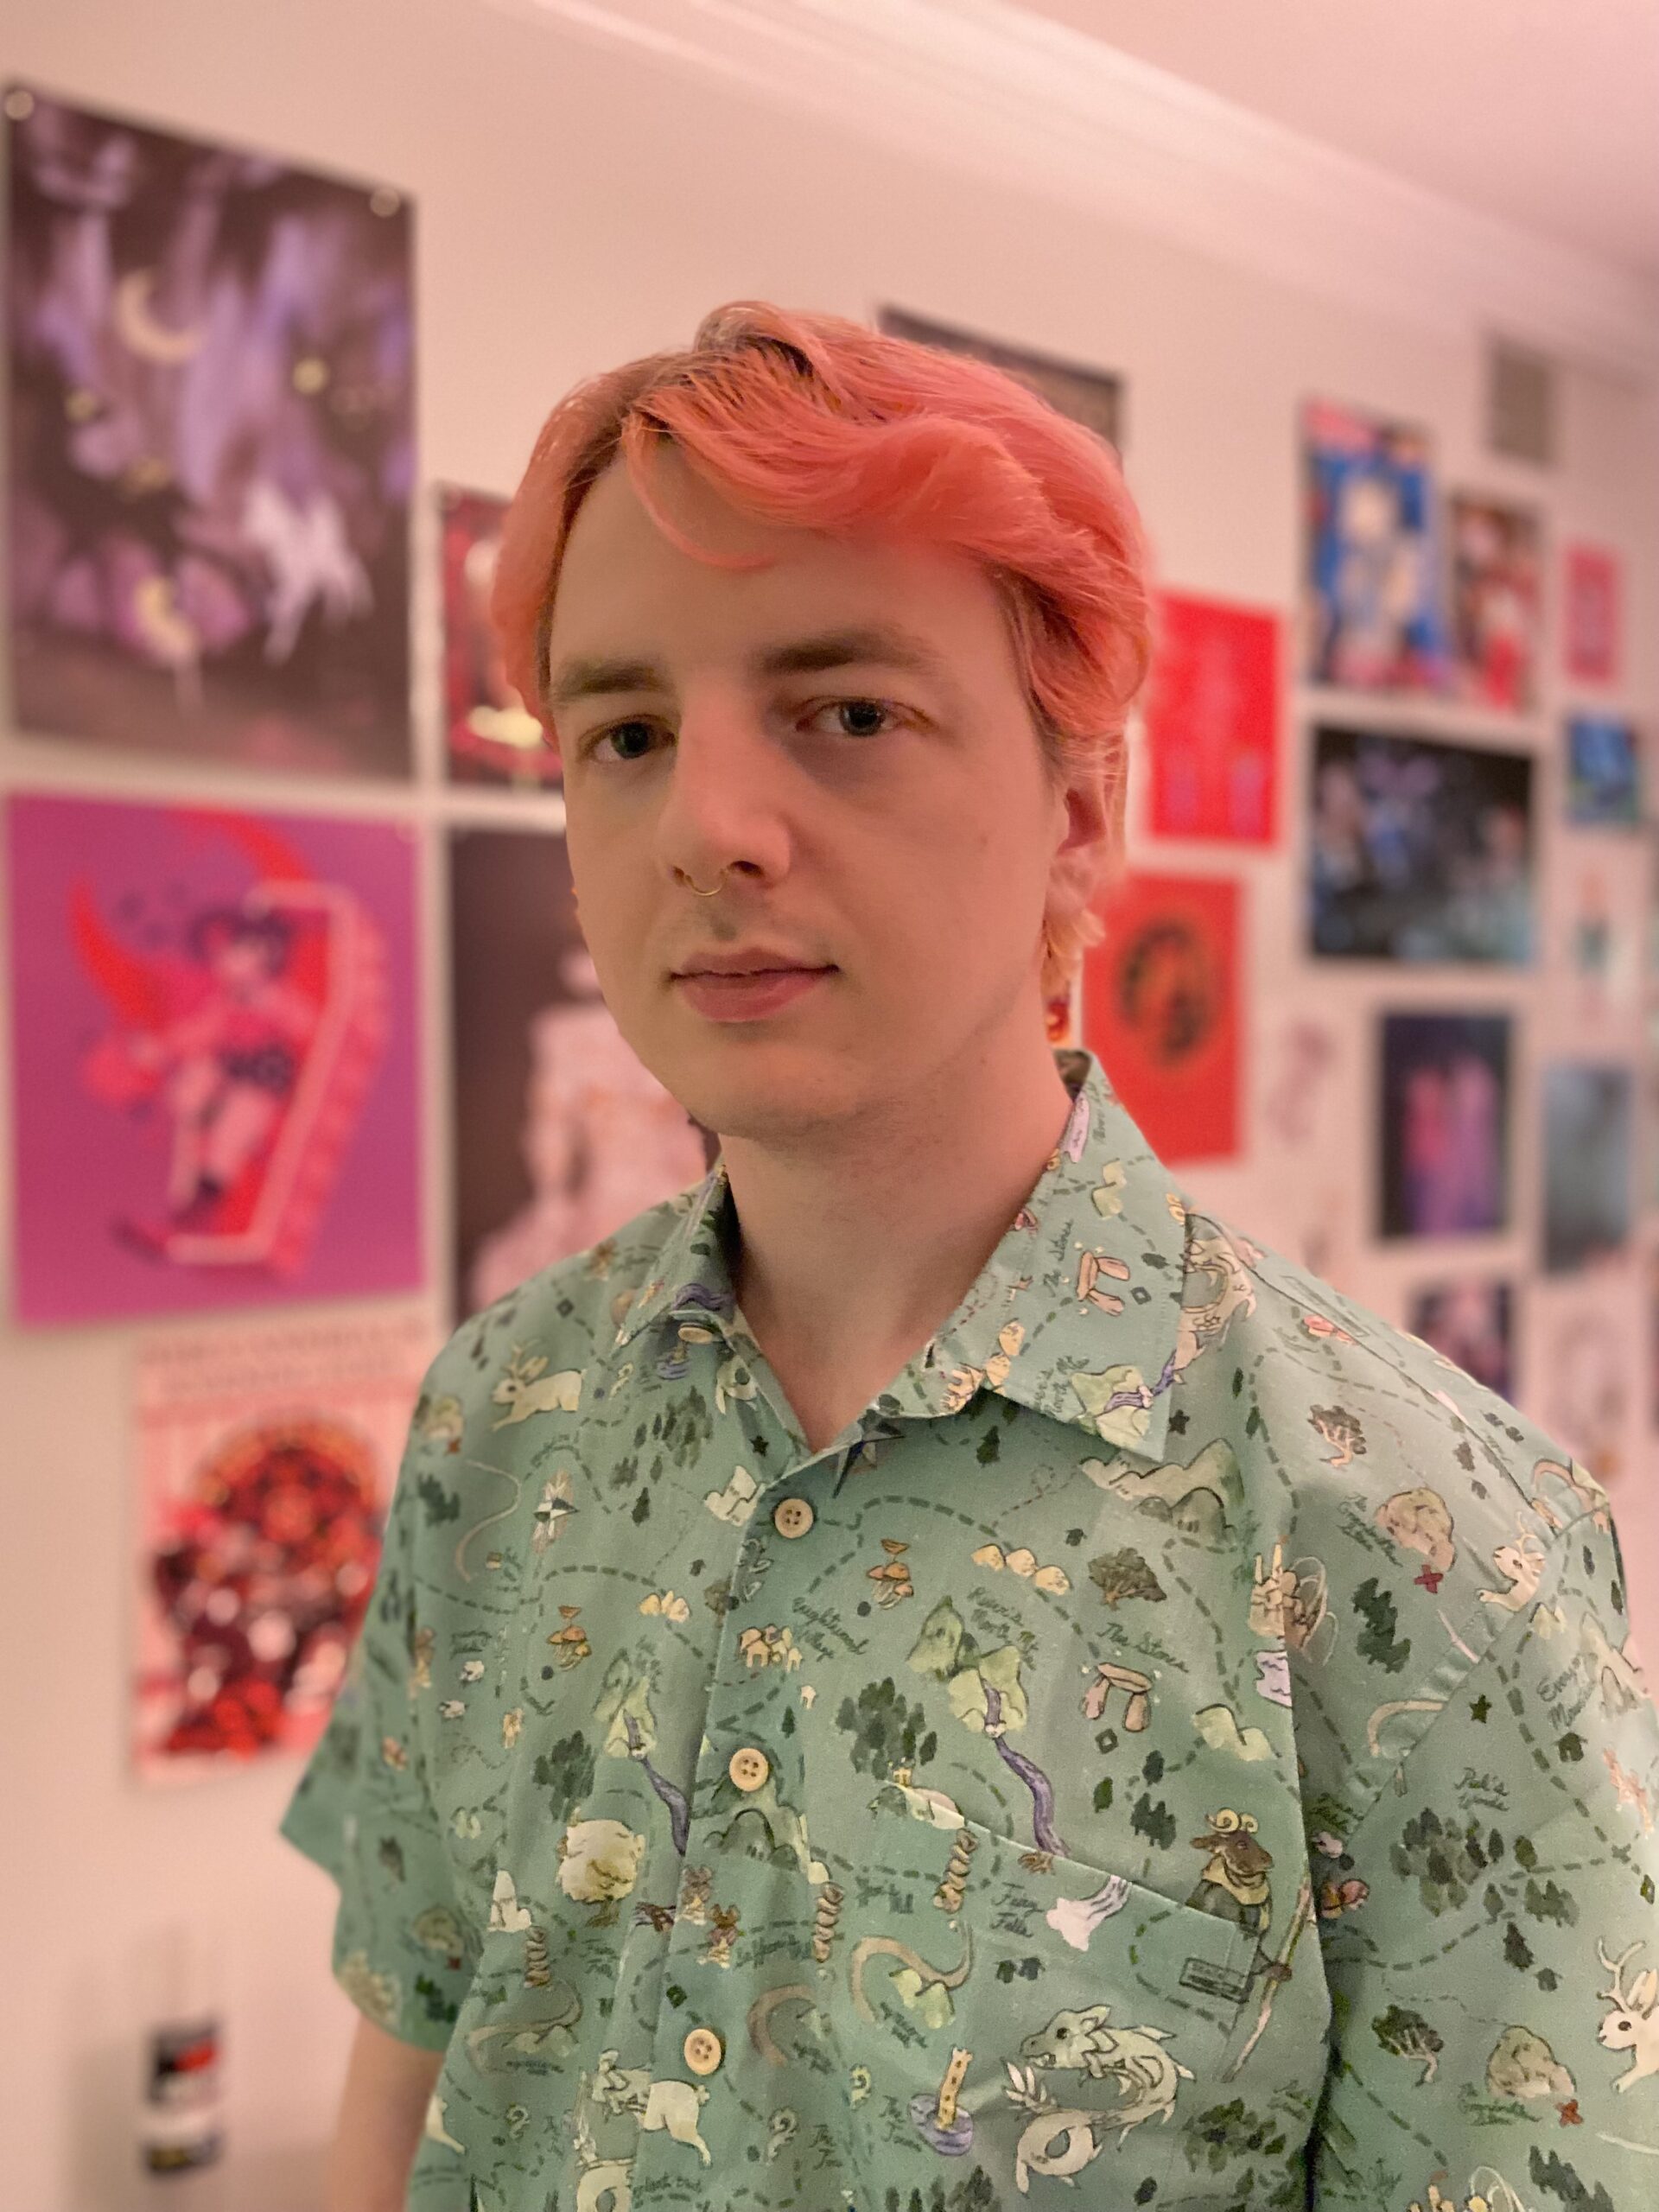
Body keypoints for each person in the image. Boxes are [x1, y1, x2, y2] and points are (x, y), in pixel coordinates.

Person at [280, 302, 1659, 2212]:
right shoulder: (505, 1410)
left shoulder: (1419, 1545)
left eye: (846, 712)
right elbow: (414, 2042)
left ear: (1083, 815)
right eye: (627, 732)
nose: (708, 824)